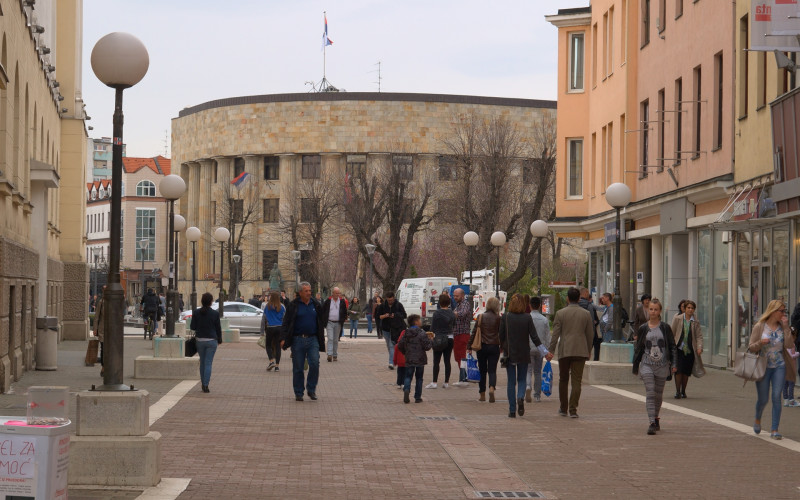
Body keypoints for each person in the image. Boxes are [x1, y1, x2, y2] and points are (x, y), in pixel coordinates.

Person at [748, 299, 795, 440]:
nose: (783, 314)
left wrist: (786, 328)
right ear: (773, 311)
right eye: (781, 311)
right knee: (763, 399)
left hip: (779, 366)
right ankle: (757, 418)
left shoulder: (783, 326)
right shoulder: (760, 326)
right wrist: (760, 343)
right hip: (763, 366)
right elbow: (751, 347)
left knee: (776, 397)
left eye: (784, 311)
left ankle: (774, 429)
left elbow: (789, 344)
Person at [546, 287, 595, 418]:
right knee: (577, 381)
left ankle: (563, 408)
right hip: (580, 350)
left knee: (563, 379)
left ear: (567, 298)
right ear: (579, 298)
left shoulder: (560, 313)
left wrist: (551, 350)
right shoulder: (586, 314)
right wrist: (589, 350)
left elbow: (555, 334)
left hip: (565, 350)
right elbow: (590, 334)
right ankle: (573, 409)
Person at [632, 298, 676, 435]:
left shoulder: (665, 327)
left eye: (656, 309)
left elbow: (673, 347)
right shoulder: (643, 328)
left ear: (660, 311)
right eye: (651, 309)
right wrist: (636, 364)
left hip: (662, 365)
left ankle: (656, 417)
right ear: (647, 310)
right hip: (647, 364)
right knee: (650, 392)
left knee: (658, 395)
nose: (653, 312)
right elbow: (638, 348)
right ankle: (651, 422)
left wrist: (674, 363)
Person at [500, 294, 545, 418]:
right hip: (524, 353)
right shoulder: (527, 317)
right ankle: (520, 397)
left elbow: (501, 335)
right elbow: (534, 336)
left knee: (511, 381)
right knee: (521, 379)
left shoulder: (506, 317)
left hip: (509, 353)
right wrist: (544, 351)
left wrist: (502, 347)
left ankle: (512, 410)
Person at [281, 282, 325, 402]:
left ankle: (311, 389)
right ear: (300, 292)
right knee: (298, 367)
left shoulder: (315, 304)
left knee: (315, 363)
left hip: (313, 339)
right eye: (306, 291)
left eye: (310, 291)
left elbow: (321, 320)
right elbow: (286, 322)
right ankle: (299, 392)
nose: (309, 293)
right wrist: (283, 338)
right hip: (297, 340)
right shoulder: (293, 305)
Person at [468, 296, 502, 402]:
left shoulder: (481, 316)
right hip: (494, 346)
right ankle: (491, 388)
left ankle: (482, 394)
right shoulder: (499, 318)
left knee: (482, 370)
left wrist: (469, 346)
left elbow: (474, 332)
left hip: (482, 346)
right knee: (492, 370)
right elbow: (502, 333)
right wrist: (503, 346)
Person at [669, 299, 703, 399]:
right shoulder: (678, 318)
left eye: (692, 308)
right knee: (678, 370)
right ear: (685, 309)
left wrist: (699, 347)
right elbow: (672, 333)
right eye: (688, 308)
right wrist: (671, 347)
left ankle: (683, 390)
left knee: (686, 372)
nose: (690, 310)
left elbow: (699, 336)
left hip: (690, 350)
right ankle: (677, 391)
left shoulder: (695, 321)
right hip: (678, 349)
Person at [190, 292, 222, 393]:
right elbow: (218, 328)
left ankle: (203, 382)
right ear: (211, 302)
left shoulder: (196, 312)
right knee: (208, 363)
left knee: (202, 362)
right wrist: (219, 339)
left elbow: (192, 327)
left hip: (200, 340)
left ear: (202, 301)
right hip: (212, 341)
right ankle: (205, 385)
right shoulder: (215, 314)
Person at [397, 315, 432, 403]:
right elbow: (427, 347)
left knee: (408, 376)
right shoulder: (422, 333)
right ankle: (417, 397)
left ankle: (407, 388)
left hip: (409, 357)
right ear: (416, 322)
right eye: (419, 320)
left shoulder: (406, 333)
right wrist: (431, 340)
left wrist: (405, 352)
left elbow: (400, 345)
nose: (421, 322)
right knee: (419, 378)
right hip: (420, 358)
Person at [426, 294, 455, 389]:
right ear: (449, 302)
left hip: (439, 337)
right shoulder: (452, 313)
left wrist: (430, 336)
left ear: (440, 302)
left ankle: (434, 382)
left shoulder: (437, 313)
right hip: (450, 338)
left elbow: (433, 327)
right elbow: (454, 325)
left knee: (436, 361)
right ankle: (446, 382)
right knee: (447, 360)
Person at [527, 296, 551, 403]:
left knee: (528, 371)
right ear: (540, 306)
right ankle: (537, 395)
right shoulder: (544, 319)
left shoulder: (527, 318)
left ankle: (528, 386)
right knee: (537, 372)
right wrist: (547, 350)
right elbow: (547, 336)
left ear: (530, 306)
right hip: (540, 348)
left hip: (528, 347)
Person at [376, 291, 407, 370]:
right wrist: (385, 315)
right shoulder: (382, 306)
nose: (390, 302)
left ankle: (391, 363)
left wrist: (395, 315)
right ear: (386, 299)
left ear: (394, 298)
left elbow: (404, 315)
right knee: (389, 346)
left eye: (391, 300)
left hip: (396, 328)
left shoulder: (398, 305)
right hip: (385, 328)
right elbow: (379, 317)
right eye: (389, 300)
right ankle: (392, 359)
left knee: (391, 345)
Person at [451, 288, 472, 386]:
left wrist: (449, 313)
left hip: (462, 333)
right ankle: (463, 377)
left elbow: (462, 314)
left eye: (457, 296)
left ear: (462, 296)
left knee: (461, 356)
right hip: (458, 333)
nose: (455, 298)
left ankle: (463, 379)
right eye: (454, 296)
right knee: (459, 356)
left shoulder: (465, 304)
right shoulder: (459, 304)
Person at [261, 291, 285, 372]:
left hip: (270, 327)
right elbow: (285, 318)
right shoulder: (281, 306)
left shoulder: (267, 306)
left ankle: (271, 361)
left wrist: (261, 331)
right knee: (278, 347)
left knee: (268, 345)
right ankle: (277, 366)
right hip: (279, 327)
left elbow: (263, 319)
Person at [321, 287, 347, 362]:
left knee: (335, 340)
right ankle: (329, 354)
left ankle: (335, 354)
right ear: (333, 293)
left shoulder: (342, 302)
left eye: (338, 293)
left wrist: (343, 318)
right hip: (329, 322)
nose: (337, 294)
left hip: (338, 323)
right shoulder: (328, 301)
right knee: (330, 338)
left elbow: (345, 311)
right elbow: (323, 311)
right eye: (336, 293)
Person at [578, 288, 601, 360]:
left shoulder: (574, 305)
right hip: (587, 332)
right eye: (587, 293)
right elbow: (591, 322)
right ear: (585, 293)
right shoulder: (589, 305)